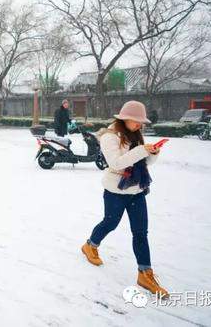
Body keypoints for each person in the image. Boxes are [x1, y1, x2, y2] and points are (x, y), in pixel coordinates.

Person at [81, 100, 169, 298]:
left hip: (137, 189)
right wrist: (141, 150)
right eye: (136, 121)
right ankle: (90, 245)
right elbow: (117, 163)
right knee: (110, 223)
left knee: (140, 232)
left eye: (141, 122)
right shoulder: (109, 137)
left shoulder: (136, 134)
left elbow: (143, 162)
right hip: (115, 191)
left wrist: (152, 153)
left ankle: (145, 273)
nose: (140, 125)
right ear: (125, 119)